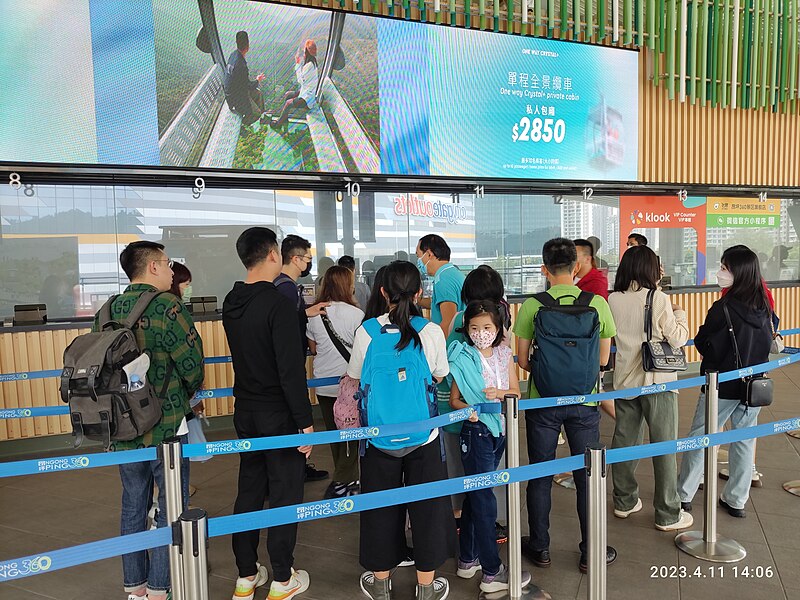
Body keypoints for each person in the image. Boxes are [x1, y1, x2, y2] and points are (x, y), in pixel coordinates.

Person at [96, 241, 204, 600]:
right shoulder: (167, 306)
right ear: (154, 266)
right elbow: (192, 363)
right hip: (166, 422)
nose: (173, 272)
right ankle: (160, 589)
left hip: (122, 424)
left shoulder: (107, 309)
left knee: (132, 504)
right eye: (169, 264)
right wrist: (186, 395)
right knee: (170, 508)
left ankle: (135, 588)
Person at [348, 261, 455, 600]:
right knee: (427, 508)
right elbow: (438, 375)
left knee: (381, 507)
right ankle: (426, 587)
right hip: (425, 436)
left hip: (378, 439)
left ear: (383, 292)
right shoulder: (431, 331)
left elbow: (356, 377)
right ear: (420, 292)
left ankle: (381, 584)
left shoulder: (367, 331)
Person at [513, 238, 617, 574]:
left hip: (543, 401)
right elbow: (603, 360)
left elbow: (523, 360)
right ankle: (590, 551)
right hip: (585, 402)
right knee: (587, 476)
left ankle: (541, 548)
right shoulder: (597, 303)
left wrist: (548, 370)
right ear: (576, 267)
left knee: (540, 475)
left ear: (544, 269)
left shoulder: (532, 305)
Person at [223, 227, 314, 600]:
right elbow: (289, 370)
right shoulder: (278, 303)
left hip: (245, 409)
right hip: (279, 414)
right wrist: (305, 422)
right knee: (284, 494)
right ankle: (281, 578)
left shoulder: (232, 300)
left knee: (249, 489)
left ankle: (246, 575)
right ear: (273, 255)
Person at [677, 246, 773, 518]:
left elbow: (705, 343)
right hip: (755, 387)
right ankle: (736, 500)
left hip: (722, 384)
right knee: (744, 441)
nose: (720, 273)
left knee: (702, 436)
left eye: (724, 268)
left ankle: (684, 493)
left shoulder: (724, 307)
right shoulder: (764, 304)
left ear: (738, 272)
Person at [448, 301, 536, 594]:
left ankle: (467, 558)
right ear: (466, 329)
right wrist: (467, 410)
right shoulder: (463, 357)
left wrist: (500, 393)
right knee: (485, 501)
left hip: (500, 430)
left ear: (498, 329)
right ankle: (491, 571)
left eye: (486, 327)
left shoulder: (503, 354)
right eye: (474, 327)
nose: (480, 333)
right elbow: (454, 400)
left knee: (476, 496)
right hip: (476, 432)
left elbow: (515, 391)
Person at [608, 245, 693, 531]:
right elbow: (679, 338)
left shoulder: (613, 299)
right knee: (664, 447)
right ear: (650, 269)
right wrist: (680, 313)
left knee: (624, 442)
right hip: (657, 381)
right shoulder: (658, 298)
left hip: (624, 381)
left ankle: (624, 501)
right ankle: (668, 513)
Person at [443, 265, 510, 544]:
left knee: (463, 474)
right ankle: (479, 536)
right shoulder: (498, 321)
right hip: (489, 416)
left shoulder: (460, 318)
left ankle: (463, 528)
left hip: (458, 410)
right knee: (484, 478)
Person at [274, 234, 330, 483]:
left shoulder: (281, 286)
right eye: (308, 258)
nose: (309, 263)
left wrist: (306, 312)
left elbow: (288, 317)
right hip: (289, 367)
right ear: (296, 259)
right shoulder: (285, 288)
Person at [307, 266, 364, 499]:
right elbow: (361, 351)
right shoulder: (356, 315)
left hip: (323, 382)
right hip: (349, 383)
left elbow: (313, 348)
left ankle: (344, 479)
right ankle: (345, 480)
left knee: (334, 434)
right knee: (351, 433)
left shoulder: (314, 315)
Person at [415, 235, 465, 337]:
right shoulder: (452, 273)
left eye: (418, 256)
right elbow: (438, 303)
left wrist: (440, 349)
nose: (418, 261)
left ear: (429, 254)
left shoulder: (443, 280)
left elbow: (448, 322)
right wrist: (417, 299)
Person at [271, 39, 319, 129]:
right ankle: (284, 118)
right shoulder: (312, 63)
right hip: (306, 92)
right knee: (287, 95)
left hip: (308, 99)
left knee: (288, 103)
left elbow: (300, 80)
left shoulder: (308, 66)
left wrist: (297, 64)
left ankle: (278, 124)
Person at [223, 31, 266, 126]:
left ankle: (262, 117)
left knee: (258, 94)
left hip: (232, 93)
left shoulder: (233, 55)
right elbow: (248, 86)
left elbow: (242, 83)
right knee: (256, 113)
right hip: (236, 99)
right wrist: (257, 80)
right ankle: (242, 124)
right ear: (247, 45)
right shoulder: (240, 64)